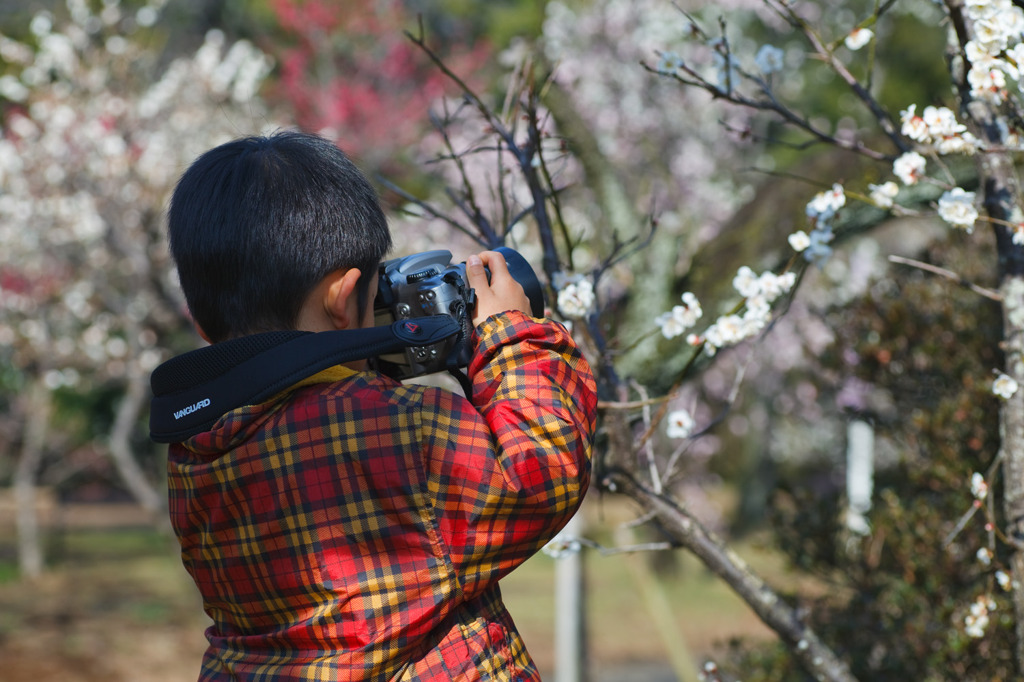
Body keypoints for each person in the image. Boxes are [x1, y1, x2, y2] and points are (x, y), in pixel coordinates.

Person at [159, 129, 598, 681]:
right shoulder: (404, 432)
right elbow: (540, 472)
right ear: (345, 301)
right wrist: (512, 337)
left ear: (200, 324)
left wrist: (368, 358)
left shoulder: (194, 455)